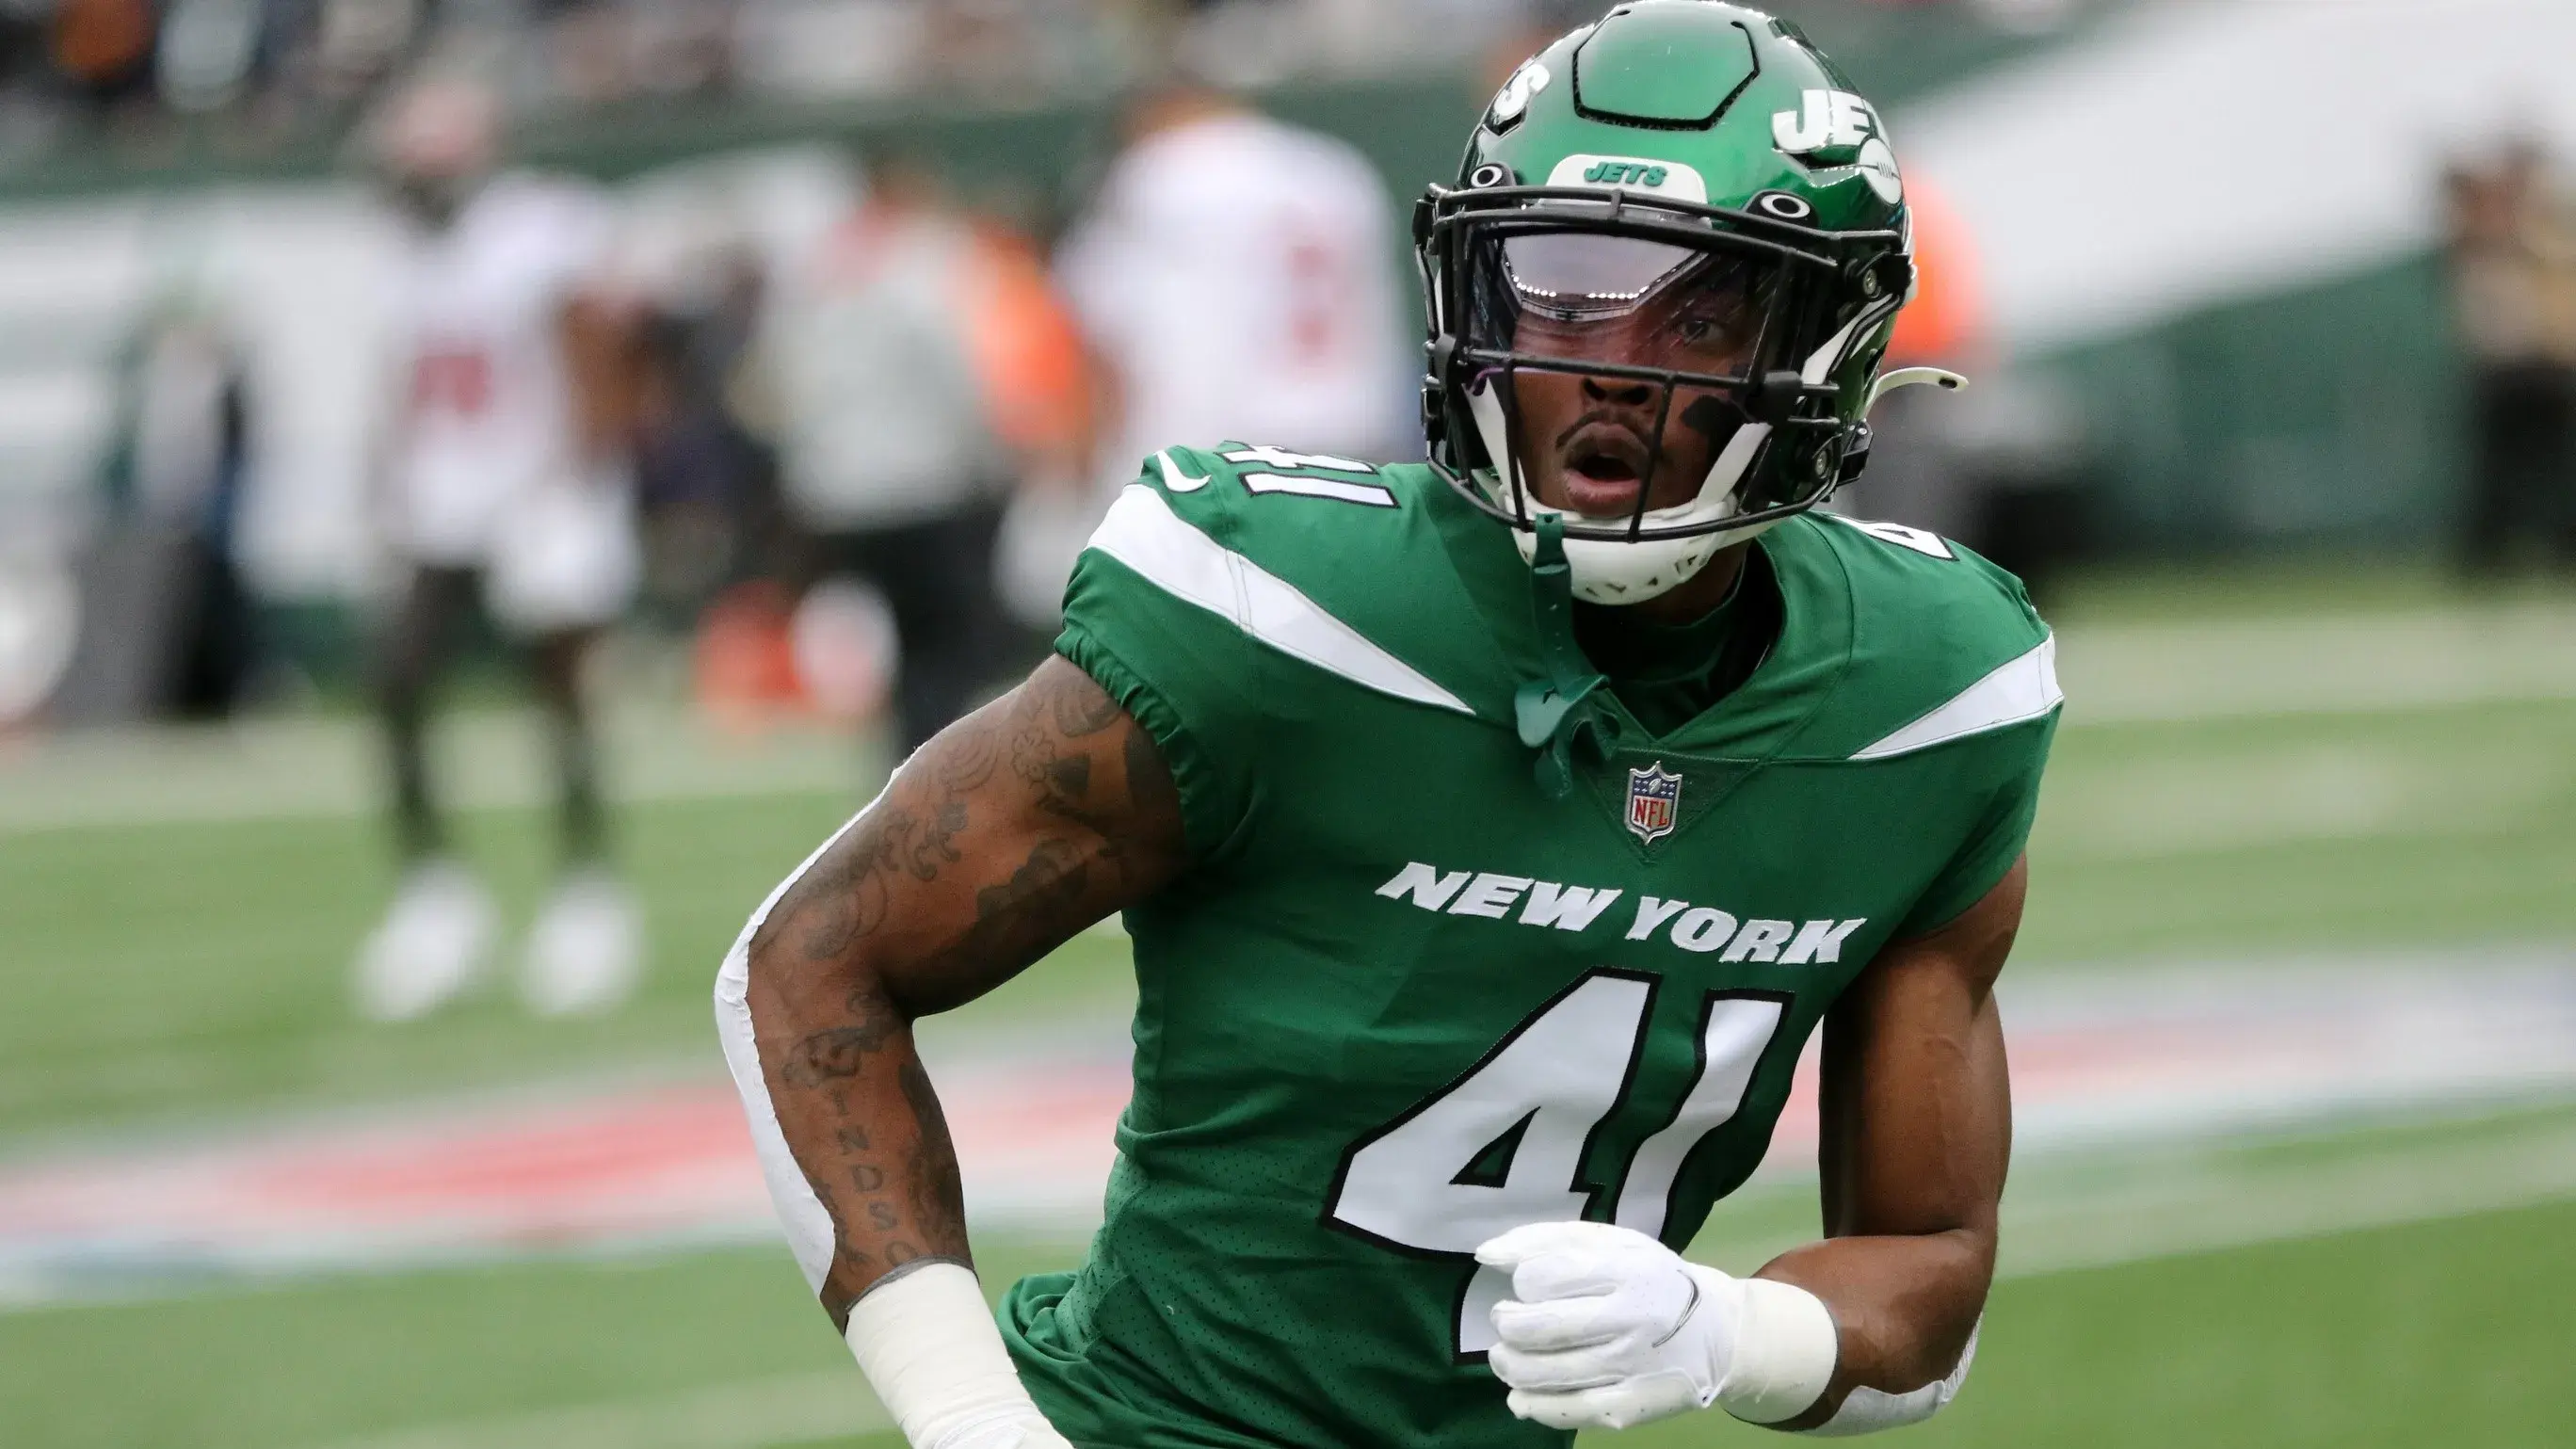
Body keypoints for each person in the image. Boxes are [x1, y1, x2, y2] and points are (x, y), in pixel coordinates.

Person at [716, 7, 2056, 1448]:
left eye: (1703, 309)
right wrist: (974, 1416)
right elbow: (811, 967)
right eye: (1559, 291)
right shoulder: (1286, 614)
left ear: (1833, 345)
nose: (1609, 364)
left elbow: (1931, 1277)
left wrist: (1732, 1328)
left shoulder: (1937, 697)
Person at [354, 76, 648, 1022]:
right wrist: (388, 476)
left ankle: (588, 894)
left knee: (557, 701)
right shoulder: (409, 252)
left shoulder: (539, 227)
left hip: (535, 489)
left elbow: (596, 354)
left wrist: (574, 478)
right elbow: (406, 375)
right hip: (445, 495)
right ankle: (436, 899)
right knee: (396, 684)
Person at [764, 151, 1019, 753]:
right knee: (947, 644)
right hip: (925, 481)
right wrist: (985, 450)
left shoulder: (809, 265)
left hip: (836, 487)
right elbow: (959, 362)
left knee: (893, 645)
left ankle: (903, 767)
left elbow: (779, 378)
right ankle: (928, 767)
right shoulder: (928, 256)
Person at [2446, 140, 2576, 573]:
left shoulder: (2549, 231)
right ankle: (2488, 557)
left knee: (2554, 467)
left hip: (2548, 368)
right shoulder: (2481, 235)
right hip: (2503, 371)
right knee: (2499, 469)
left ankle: (2560, 550)